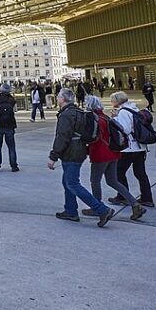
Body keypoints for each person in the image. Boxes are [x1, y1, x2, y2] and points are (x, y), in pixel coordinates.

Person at [47, 89, 115, 226]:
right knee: (68, 182)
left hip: (71, 152)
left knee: (72, 183)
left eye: (59, 97)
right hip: (80, 150)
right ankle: (70, 210)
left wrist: (53, 156)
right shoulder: (79, 112)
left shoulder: (66, 115)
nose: (57, 99)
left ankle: (102, 210)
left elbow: (62, 137)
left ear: (63, 99)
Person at [83, 95, 145, 221]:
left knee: (95, 180)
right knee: (113, 181)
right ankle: (135, 203)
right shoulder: (105, 117)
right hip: (113, 153)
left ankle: (97, 207)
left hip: (100, 154)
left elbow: (91, 137)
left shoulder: (94, 119)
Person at [108, 91, 155, 208]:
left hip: (129, 148)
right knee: (140, 173)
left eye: (112, 100)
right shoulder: (134, 109)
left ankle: (123, 196)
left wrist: (114, 119)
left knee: (119, 172)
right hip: (140, 147)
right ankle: (147, 198)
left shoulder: (123, 112)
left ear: (117, 101)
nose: (111, 102)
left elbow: (125, 129)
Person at [0, 83, 19, 172]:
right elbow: (13, 100)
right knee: (11, 146)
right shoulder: (11, 100)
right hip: (9, 126)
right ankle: (14, 165)